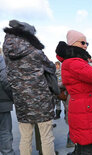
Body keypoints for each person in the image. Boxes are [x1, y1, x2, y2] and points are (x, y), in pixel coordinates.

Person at [2, 20, 56, 155]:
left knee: (25, 138)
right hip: (41, 100)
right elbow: (51, 67)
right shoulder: (35, 52)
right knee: (46, 137)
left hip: (21, 101)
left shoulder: (6, 52)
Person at [0, 48, 15, 155]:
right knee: (5, 131)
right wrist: (11, 97)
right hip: (2, 101)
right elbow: (5, 79)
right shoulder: (1, 60)